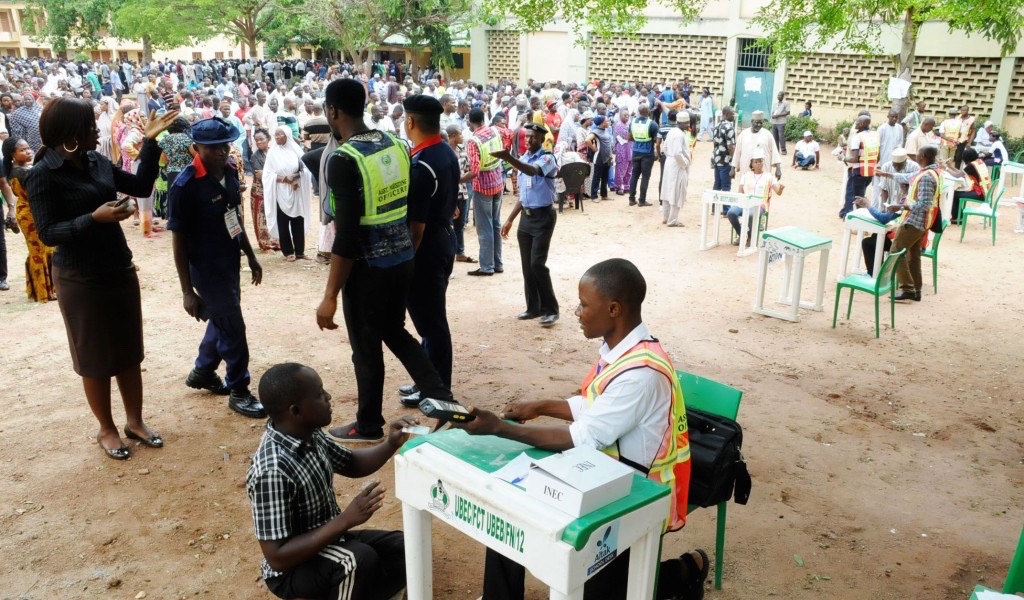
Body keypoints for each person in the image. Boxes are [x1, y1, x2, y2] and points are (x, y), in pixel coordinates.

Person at [453, 258, 707, 600]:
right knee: (511, 509)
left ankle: (684, 571)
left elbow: (584, 437)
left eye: (585, 305)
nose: (577, 312)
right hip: (600, 472)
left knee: (606, 590)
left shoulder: (641, 373)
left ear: (614, 309)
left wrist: (499, 428)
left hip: (633, 493)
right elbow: (595, 408)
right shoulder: (622, 351)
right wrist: (540, 407)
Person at [26, 99, 178, 459]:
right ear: (71, 134)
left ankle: (135, 422)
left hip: (116, 266)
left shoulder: (96, 161)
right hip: (80, 275)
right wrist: (93, 219)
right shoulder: (43, 173)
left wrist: (151, 142)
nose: (98, 130)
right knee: (94, 356)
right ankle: (107, 429)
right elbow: (48, 233)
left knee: (128, 349)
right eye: (90, 126)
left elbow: (142, 186)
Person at [315, 78, 452, 442]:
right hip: (403, 258)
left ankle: (368, 423)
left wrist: (330, 294)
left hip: (366, 270)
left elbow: (346, 235)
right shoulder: (396, 143)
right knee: (395, 331)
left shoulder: (345, 159)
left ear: (333, 111)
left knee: (366, 348)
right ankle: (443, 399)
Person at [247, 362, 411, 600]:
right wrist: (345, 520)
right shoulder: (272, 470)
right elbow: (277, 557)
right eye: (319, 394)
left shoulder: (308, 433)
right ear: (295, 411)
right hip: (292, 569)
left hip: (328, 540)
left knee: (406, 548)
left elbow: (352, 463)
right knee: (355, 560)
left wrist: (390, 444)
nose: (328, 396)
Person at [168, 117, 266, 419]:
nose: (222, 151)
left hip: (230, 262)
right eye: (213, 147)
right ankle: (239, 390)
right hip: (206, 269)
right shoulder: (184, 186)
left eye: (225, 145)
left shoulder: (230, 172)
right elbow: (179, 241)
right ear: (196, 148)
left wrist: (249, 254)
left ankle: (202, 371)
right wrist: (187, 291)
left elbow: (233, 216)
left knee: (222, 319)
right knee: (233, 327)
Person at [397, 95, 459, 406]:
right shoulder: (445, 151)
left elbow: (416, 228)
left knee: (431, 323)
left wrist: (404, 264)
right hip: (444, 236)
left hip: (427, 247)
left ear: (410, 122)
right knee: (430, 321)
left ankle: (438, 389)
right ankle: (426, 380)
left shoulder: (421, 165)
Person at [495, 123, 560, 327]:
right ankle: (534, 307)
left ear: (542, 139)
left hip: (543, 217)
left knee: (537, 264)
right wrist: (510, 219)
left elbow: (533, 172)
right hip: (526, 217)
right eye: (526, 137)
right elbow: (523, 195)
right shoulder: (523, 158)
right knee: (527, 266)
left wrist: (508, 158)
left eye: (533, 137)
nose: (529, 140)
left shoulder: (547, 158)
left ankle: (551, 310)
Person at [876, 145, 942, 302]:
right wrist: (886, 174)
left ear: (923, 156)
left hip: (915, 221)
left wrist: (901, 206)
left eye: (918, 153)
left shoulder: (926, 176)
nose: (916, 156)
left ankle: (907, 288)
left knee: (895, 250)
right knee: (914, 255)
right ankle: (915, 289)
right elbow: (907, 177)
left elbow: (924, 204)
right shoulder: (930, 171)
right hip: (922, 221)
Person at [4, 137, 53, 300]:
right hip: (31, 214)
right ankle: (42, 292)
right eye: (22, 150)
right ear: (13, 154)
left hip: (27, 211)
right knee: (39, 251)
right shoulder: (23, 172)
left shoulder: (18, 169)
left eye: (28, 148)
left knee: (40, 250)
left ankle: (44, 289)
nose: (28, 151)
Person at [859, 148, 918, 274]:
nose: (896, 168)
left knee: (870, 242)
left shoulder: (905, 202)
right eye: (894, 166)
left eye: (899, 166)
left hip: (900, 231)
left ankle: (874, 273)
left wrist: (867, 204)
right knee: (877, 236)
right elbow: (884, 188)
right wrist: (884, 206)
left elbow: (884, 219)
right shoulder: (909, 201)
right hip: (896, 217)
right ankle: (877, 271)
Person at [465, 107, 506, 276]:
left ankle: (487, 267)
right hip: (498, 182)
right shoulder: (496, 132)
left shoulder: (473, 141)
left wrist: (457, 179)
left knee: (485, 228)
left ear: (469, 121)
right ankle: (497, 264)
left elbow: (474, 171)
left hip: (483, 187)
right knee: (495, 224)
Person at [262, 125, 312, 261]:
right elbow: (267, 175)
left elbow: (305, 169)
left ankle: (300, 251)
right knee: (283, 221)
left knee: (298, 220)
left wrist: (294, 176)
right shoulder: (272, 152)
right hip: (280, 191)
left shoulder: (296, 151)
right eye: (275, 135)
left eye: (280, 134)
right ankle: (288, 251)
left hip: (296, 190)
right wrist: (284, 179)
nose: (277, 137)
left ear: (287, 135)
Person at [730, 149, 784, 245]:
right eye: (756, 162)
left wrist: (781, 189)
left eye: (760, 161)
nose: (759, 164)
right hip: (745, 202)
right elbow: (740, 192)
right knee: (731, 213)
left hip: (760, 204)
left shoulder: (769, 176)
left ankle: (751, 237)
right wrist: (741, 201)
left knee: (751, 214)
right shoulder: (745, 176)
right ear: (752, 164)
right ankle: (742, 235)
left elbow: (778, 191)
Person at [248, 128, 280, 252]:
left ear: (268, 139)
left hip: (274, 188)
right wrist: (275, 175)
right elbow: (260, 175)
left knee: (274, 216)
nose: (259, 142)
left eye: (262, 139)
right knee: (262, 217)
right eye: (256, 140)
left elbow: (273, 171)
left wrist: (269, 174)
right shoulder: (254, 157)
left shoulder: (274, 153)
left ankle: (276, 242)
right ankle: (265, 244)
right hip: (260, 191)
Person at [840, 115, 878, 219]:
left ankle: (861, 221)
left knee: (858, 199)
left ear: (861, 124)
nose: (855, 123)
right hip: (870, 171)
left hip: (859, 172)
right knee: (860, 195)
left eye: (857, 121)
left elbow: (854, 159)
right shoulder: (875, 135)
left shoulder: (858, 137)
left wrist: (842, 158)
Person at [659, 110, 691, 227]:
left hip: (669, 163)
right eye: (687, 123)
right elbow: (678, 153)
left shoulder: (672, 131)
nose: (688, 125)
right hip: (677, 165)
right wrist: (686, 162)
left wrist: (671, 158)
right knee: (676, 192)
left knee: (668, 191)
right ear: (681, 123)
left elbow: (665, 148)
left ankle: (666, 217)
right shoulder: (679, 134)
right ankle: (672, 220)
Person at [732, 110, 781, 182]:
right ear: (752, 121)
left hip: (763, 170)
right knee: (746, 188)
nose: (759, 125)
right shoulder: (743, 134)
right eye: (757, 122)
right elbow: (737, 152)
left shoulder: (767, 134)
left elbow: (775, 152)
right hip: (746, 169)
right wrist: (732, 168)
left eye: (761, 123)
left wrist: (778, 169)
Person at [627, 103, 660, 207]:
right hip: (647, 153)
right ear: (648, 111)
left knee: (634, 175)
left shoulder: (632, 122)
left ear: (638, 111)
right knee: (645, 177)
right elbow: (656, 140)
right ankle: (642, 200)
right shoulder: (652, 124)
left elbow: (629, 138)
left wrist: (638, 140)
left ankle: (631, 199)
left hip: (635, 151)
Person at [946, 147, 989, 225]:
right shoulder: (979, 162)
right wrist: (950, 167)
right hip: (984, 191)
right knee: (957, 193)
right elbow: (963, 173)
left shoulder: (972, 165)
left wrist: (945, 168)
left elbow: (957, 176)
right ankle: (959, 216)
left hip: (979, 194)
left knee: (953, 194)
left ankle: (957, 217)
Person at [711, 106, 737, 197]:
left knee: (717, 185)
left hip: (717, 159)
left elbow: (715, 143)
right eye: (733, 114)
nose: (734, 116)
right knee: (726, 186)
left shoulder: (716, 126)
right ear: (727, 114)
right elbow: (730, 147)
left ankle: (714, 209)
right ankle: (726, 210)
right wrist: (735, 161)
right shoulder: (729, 127)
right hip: (725, 161)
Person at [586, 114, 613, 201]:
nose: (608, 122)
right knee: (597, 177)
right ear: (601, 123)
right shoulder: (595, 131)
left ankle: (604, 195)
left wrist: (610, 155)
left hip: (607, 157)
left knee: (605, 177)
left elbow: (608, 144)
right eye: (606, 121)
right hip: (599, 157)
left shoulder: (606, 130)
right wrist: (594, 148)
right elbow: (587, 140)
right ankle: (594, 196)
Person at [612, 109, 632, 195]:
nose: (627, 116)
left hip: (630, 149)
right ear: (620, 116)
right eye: (625, 115)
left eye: (628, 115)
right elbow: (626, 136)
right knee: (621, 169)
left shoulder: (629, 124)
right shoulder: (618, 125)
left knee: (629, 170)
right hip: (622, 150)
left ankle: (627, 186)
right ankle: (618, 187)